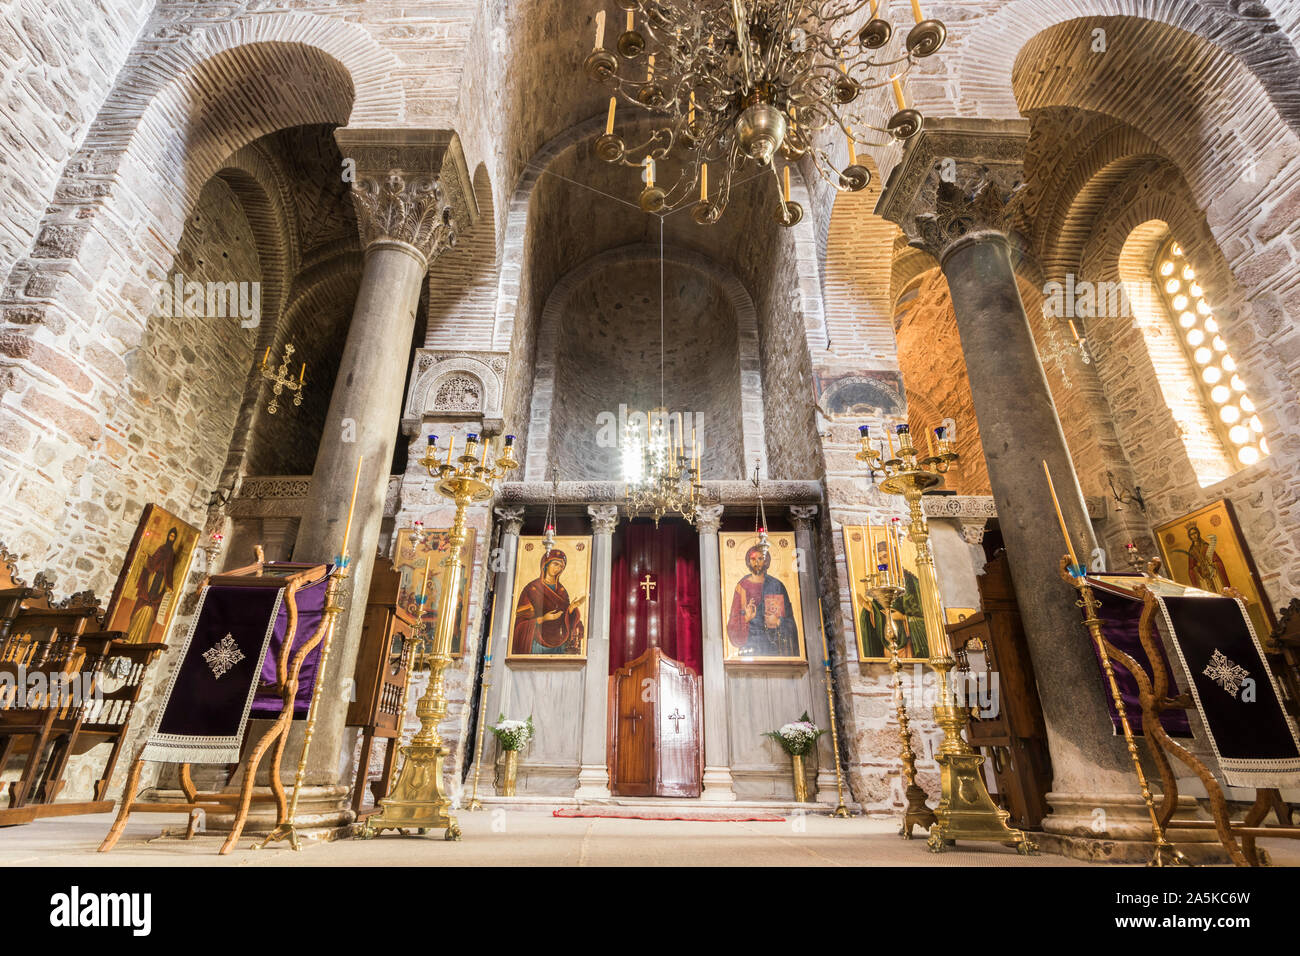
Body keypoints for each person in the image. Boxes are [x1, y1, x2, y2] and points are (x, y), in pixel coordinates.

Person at [727, 544, 799, 657]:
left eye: (760, 559)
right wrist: (746, 617)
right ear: (748, 561)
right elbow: (732, 622)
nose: (756, 563)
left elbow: (791, 624)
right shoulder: (742, 587)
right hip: (749, 647)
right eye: (753, 559)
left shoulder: (777, 585)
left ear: (766, 561)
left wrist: (778, 622)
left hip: (773, 647)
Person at [511, 549, 586, 655]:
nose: (558, 569)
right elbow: (521, 621)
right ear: (546, 564)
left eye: (561, 566)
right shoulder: (532, 588)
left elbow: (565, 616)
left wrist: (571, 609)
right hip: (536, 640)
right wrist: (543, 619)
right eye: (555, 564)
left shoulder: (561, 590)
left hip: (560, 640)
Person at [125, 526, 179, 643]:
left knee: (152, 607)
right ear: (168, 536)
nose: (171, 538)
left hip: (161, 581)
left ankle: (142, 640)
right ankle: (129, 636)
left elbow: (169, 571)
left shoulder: (172, 554)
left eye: (173, 537)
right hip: (153, 577)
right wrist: (147, 557)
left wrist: (169, 585)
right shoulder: (161, 549)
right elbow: (153, 562)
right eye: (170, 535)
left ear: (174, 539)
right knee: (143, 602)